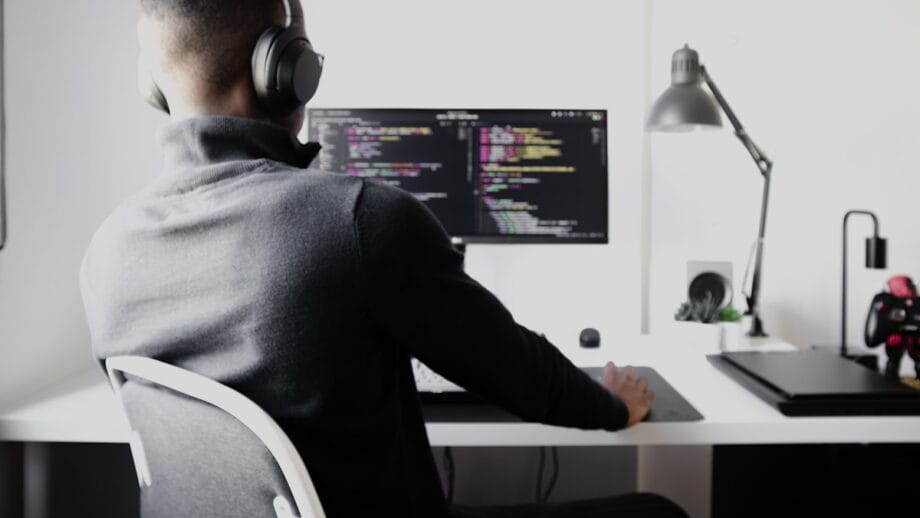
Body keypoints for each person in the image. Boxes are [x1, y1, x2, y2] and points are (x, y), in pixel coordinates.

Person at [79, 1, 686, 517]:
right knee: (658, 510)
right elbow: (522, 375)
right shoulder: (358, 219)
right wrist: (614, 404)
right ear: (286, 71)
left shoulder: (106, 253)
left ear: (155, 84)